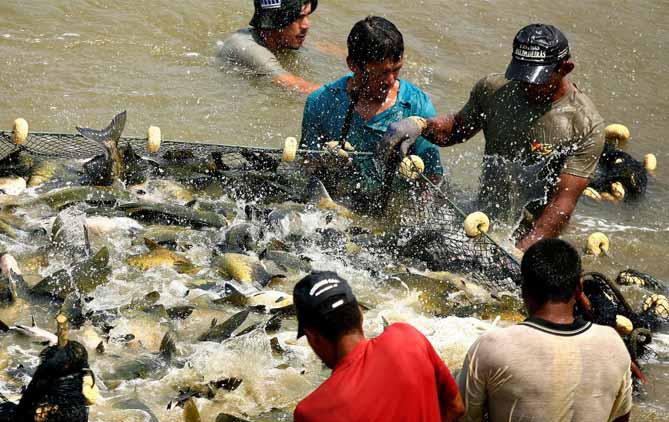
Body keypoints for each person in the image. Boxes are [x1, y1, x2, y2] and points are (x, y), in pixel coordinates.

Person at [382, 24, 605, 251]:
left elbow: (561, 205)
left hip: (534, 235)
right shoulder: (494, 90)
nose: (527, 85)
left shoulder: (585, 125)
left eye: (537, 79)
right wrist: (421, 124)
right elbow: (456, 129)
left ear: (565, 68)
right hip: (483, 218)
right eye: (522, 75)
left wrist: (518, 253)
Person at [457, 238, 632, 422]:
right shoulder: (613, 344)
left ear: (524, 289)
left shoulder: (492, 346)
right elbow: (621, 417)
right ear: (578, 288)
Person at [293, 271, 465, 422]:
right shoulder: (408, 338)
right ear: (361, 314)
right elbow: (456, 407)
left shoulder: (311, 414)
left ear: (313, 337)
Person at [300, 16, 441, 202]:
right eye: (382, 72)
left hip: (391, 206)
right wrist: (323, 161)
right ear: (353, 65)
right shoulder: (321, 103)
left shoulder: (416, 108)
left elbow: (433, 178)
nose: (390, 81)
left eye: (396, 70)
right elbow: (304, 167)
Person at [218, 0, 321, 94]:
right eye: (298, 17)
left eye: (308, 16)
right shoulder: (249, 48)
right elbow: (294, 84)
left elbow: (325, 48)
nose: (306, 25)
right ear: (276, 19)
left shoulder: (284, 39)